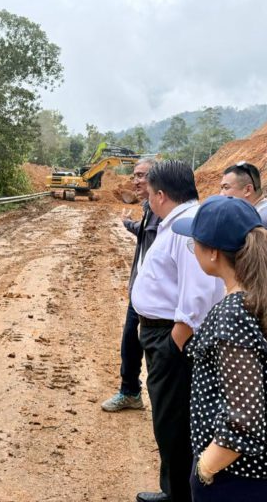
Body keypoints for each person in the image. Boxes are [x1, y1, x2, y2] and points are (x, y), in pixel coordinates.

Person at [171, 195, 267, 501]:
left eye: (193, 242)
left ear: (213, 253)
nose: (192, 250)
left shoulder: (234, 313)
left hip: (237, 478)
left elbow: (243, 418)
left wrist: (206, 468)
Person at [131, 160, 225, 502]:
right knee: (169, 418)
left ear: (160, 194)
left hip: (173, 336)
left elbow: (197, 296)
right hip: (163, 333)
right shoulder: (177, 222)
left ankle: (181, 495)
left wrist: (174, 344)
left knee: (174, 422)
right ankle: (173, 489)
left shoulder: (186, 228)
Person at [101, 157, 159, 412]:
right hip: (140, 292)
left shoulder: (162, 212)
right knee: (130, 342)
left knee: (151, 349)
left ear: (157, 179)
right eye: (135, 175)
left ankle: (156, 402)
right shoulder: (150, 208)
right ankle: (130, 391)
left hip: (153, 296)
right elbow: (144, 231)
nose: (135, 181)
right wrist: (127, 224)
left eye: (141, 176)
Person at [219, 161, 267, 267]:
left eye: (226, 188)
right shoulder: (259, 211)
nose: (221, 194)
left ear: (248, 190)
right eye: (221, 188)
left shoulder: (260, 220)